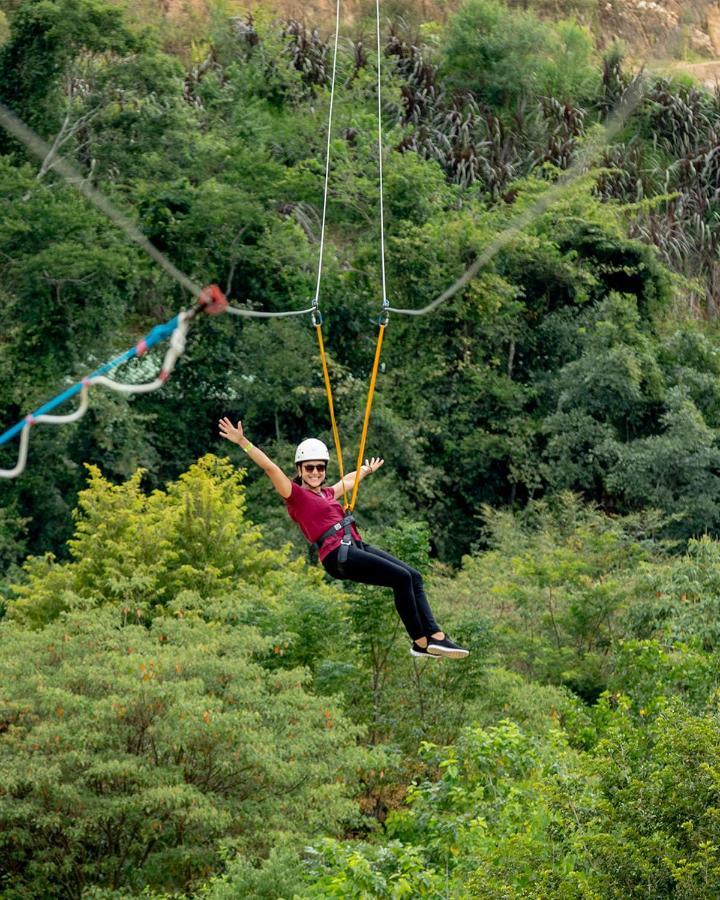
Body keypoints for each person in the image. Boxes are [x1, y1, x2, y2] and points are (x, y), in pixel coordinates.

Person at [218, 417, 469, 659]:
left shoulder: (327, 494)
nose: (315, 472)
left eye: (320, 467)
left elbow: (347, 482)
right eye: (310, 468)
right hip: (338, 554)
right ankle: (422, 641)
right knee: (401, 578)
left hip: (354, 546)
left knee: (413, 576)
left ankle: (434, 636)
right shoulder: (295, 496)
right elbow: (270, 467)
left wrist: (365, 470)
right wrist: (243, 442)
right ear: (299, 470)